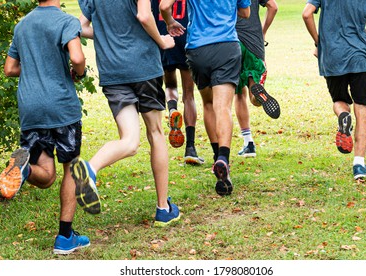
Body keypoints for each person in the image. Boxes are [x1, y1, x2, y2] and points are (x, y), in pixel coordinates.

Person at [74, 0, 180, 226]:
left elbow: (80, 27)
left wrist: (106, 34)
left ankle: (90, 169)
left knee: (130, 141)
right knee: (156, 133)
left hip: (113, 71)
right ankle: (163, 208)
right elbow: (144, 16)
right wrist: (162, 41)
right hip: (143, 68)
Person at [0, 0, 90, 255]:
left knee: (47, 176)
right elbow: (77, 57)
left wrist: (36, 69)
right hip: (61, 106)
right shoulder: (66, 21)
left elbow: (9, 68)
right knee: (71, 167)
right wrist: (78, 72)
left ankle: (24, 168)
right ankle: (64, 237)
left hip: (30, 107)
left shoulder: (22, 25)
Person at [160, 0, 251, 196]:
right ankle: (224, 159)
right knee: (223, 107)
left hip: (198, 49)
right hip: (227, 46)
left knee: (208, 104)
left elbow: (164, 6)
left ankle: (216, 155)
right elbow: (245, 12)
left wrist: (170, 22)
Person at [302, 0, 366, 180]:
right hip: (361, 58)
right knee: (362, 108)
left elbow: (306, 13)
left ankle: (343, 116)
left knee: (339, 101)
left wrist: (319, 42)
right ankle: (359, 164)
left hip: (332, 56)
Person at [151, 0, 204, 165]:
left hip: (163, 36)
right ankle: (190, 148)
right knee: (189, 94)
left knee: (170, 85)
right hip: (184, 35)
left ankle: (172, 109)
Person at [234, 0, 280, 158]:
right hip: (255, 41)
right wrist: (263, 31)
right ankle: (258, 95)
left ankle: (248, 142)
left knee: (239, 93)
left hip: (232, 42)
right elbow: (273, 7)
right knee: (253, 95)